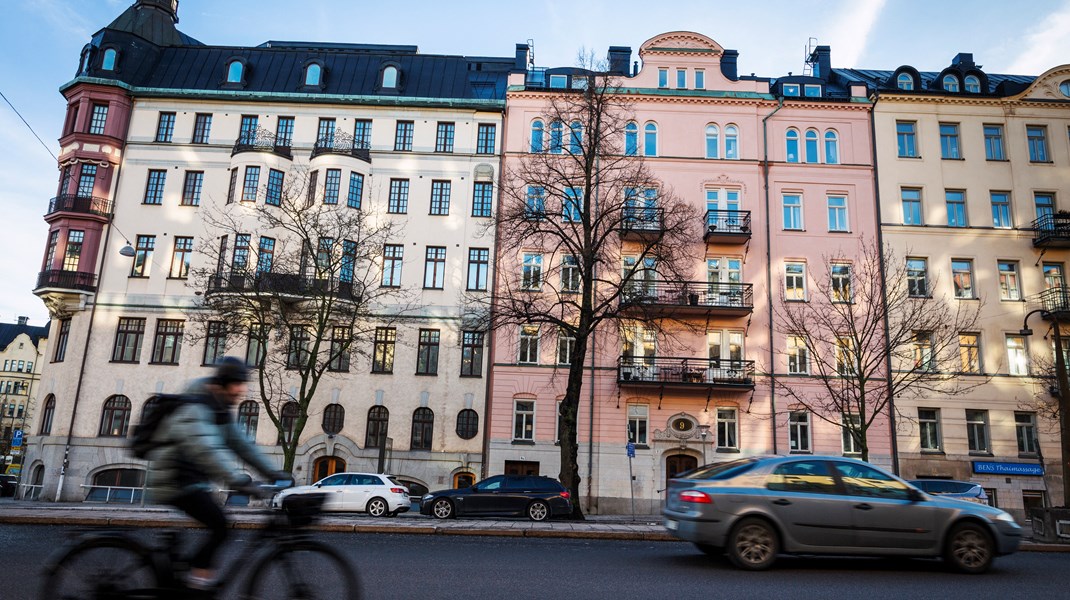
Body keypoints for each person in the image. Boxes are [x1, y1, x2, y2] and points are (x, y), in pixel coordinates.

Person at [146, 356, 284, 591]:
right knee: (220, 525)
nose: (242, 390)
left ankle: (185, 576)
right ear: (222, 384)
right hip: (174, 478)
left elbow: (243, 445)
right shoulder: (196, 405)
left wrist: (274, 473)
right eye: (238, 384)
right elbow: (206, 449)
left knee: (218, 526)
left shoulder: (220, 409)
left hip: (191, 478)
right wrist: (238, 480)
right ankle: (194, 586)